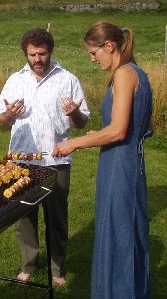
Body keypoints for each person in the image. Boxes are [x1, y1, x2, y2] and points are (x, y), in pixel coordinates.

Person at [52, 21, 153, 298]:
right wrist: (102, 133)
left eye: (93, 52)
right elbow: (146, 126)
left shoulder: (123, 74)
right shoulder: (138, 73)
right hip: (124, 164)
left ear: (109, 46)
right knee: (119, 233)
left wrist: (74, 142)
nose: (92, 58)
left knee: (120, 237)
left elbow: (119, 130)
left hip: (122, 169)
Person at [0, 28, 90, 286]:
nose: (38, 59)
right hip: (21, 161)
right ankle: (28, 264)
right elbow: (1, 121)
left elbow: (81, 123)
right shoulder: (15, 80)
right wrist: (9, 115)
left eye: (42, 53)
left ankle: (57, 269)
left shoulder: (68, 79)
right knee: (24, 217)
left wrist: (74, 113)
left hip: (56, 160)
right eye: (32, 54)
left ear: (51, 51)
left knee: (56, 217)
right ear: (26, 53)